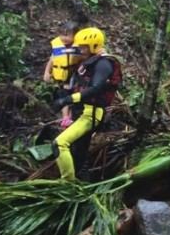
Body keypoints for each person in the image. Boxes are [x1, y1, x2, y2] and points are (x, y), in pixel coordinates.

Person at [51, 27, 122, 180]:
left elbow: (95, 88)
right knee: (78, 151)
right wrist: (65, 95)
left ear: (94, 46)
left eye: (84, 46)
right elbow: (81, 87)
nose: (80, 50)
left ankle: (68, 184)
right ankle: (82, 180)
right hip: (80, 112)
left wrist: (68, 100)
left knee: (59, 144)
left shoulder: (103, 64)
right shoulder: (87, 64)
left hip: (90, 114)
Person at [43, 21, 81, 128]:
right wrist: (47, 72)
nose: (64, 38)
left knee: (74, 96)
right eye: (62, 34)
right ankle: (65, 118)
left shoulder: (79, 46)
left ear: (75, 36)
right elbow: (52, 60)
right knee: (63, 94)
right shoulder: (57, 46)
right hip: (61, 76)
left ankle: (71, 117)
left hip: (74, 75)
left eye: (67, 35)